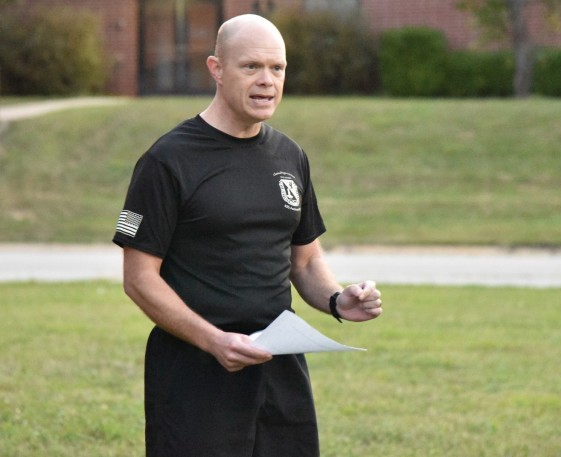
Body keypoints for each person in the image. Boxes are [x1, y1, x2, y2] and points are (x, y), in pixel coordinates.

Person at [113, 13, 383, 457]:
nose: (267, 81)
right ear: (216, 69)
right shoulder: (168, 160)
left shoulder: (289, 155)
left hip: (280, 371)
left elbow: (306, 260)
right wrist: (213, 340)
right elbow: (139, 278)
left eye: (277, 68)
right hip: (195, 372)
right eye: (251, 67)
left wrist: (337, 299)